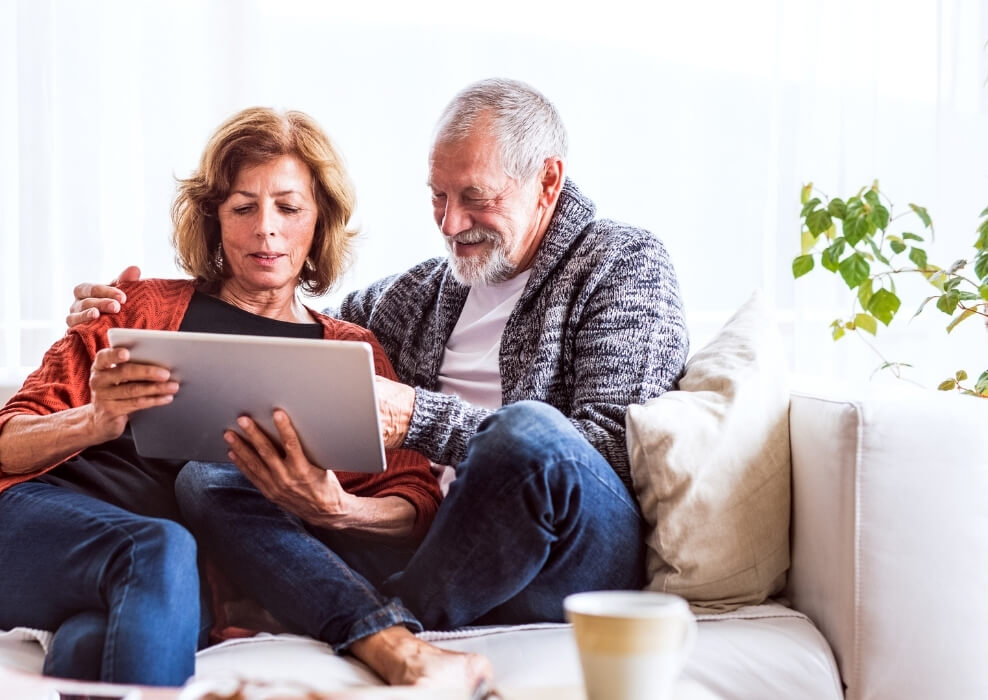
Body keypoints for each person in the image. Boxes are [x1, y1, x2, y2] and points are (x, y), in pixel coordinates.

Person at [0, 106, 486, 688]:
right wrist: (95, 420)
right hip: (39, 529)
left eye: (288, 207)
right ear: (215, 221)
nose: (265, 228)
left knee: (93, 643)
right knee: (158, 547)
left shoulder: (350, 349)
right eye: (243, 207)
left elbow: (414, 506)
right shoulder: (140, 306)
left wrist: (336, 509)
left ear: (319, 219)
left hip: (172, 581)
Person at [67, 78, 690, 632]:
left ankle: (376, 624)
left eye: (474, 197)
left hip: (569, 556)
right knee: (217, 477)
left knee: (527, 433)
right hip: (424, 545)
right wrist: (123, 310)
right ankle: (357, 616)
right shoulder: (410, 297)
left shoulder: (621, 265)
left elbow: (605, 454)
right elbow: (287, 327)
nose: (450, 224)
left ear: (547, 181)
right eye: (437, 197)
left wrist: (420, 416)